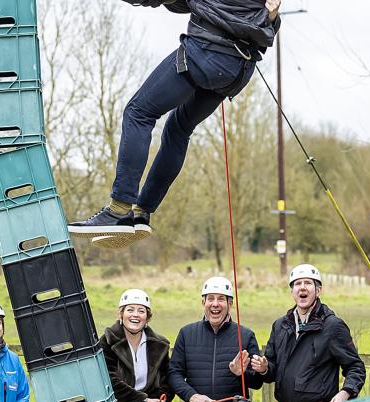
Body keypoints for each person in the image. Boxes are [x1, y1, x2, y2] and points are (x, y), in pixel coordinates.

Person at [68, 0, 282, 242]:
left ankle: (119, 210)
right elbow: (266, 25)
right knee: (179, 129)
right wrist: (272, 17)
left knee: (138, 113)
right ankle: (142, 212)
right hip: (237, 70)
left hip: (207, 54)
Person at [251, 264, 366, 402]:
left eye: (307, 283)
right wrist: (264, 368)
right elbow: (272, 370)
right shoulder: (280, 325)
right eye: (297, 284)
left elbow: (356, 368)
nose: (302, 288)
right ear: (292, 291)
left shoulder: (333, 326)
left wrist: (345, 393)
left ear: (318, 290)